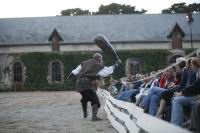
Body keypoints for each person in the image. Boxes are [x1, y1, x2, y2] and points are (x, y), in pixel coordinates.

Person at [68, 53, 121, 121]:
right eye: (101, 59)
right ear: (99, 58)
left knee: (85, 98)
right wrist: (116, 64)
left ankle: (85, 114)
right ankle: (94, 117)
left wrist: (69, 77)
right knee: (95, 100)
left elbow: (75, 71)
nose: (102, 60)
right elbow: (108, 71)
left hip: (79, 84)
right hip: (87, 84)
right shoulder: (98, 65)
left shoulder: (85, 62)